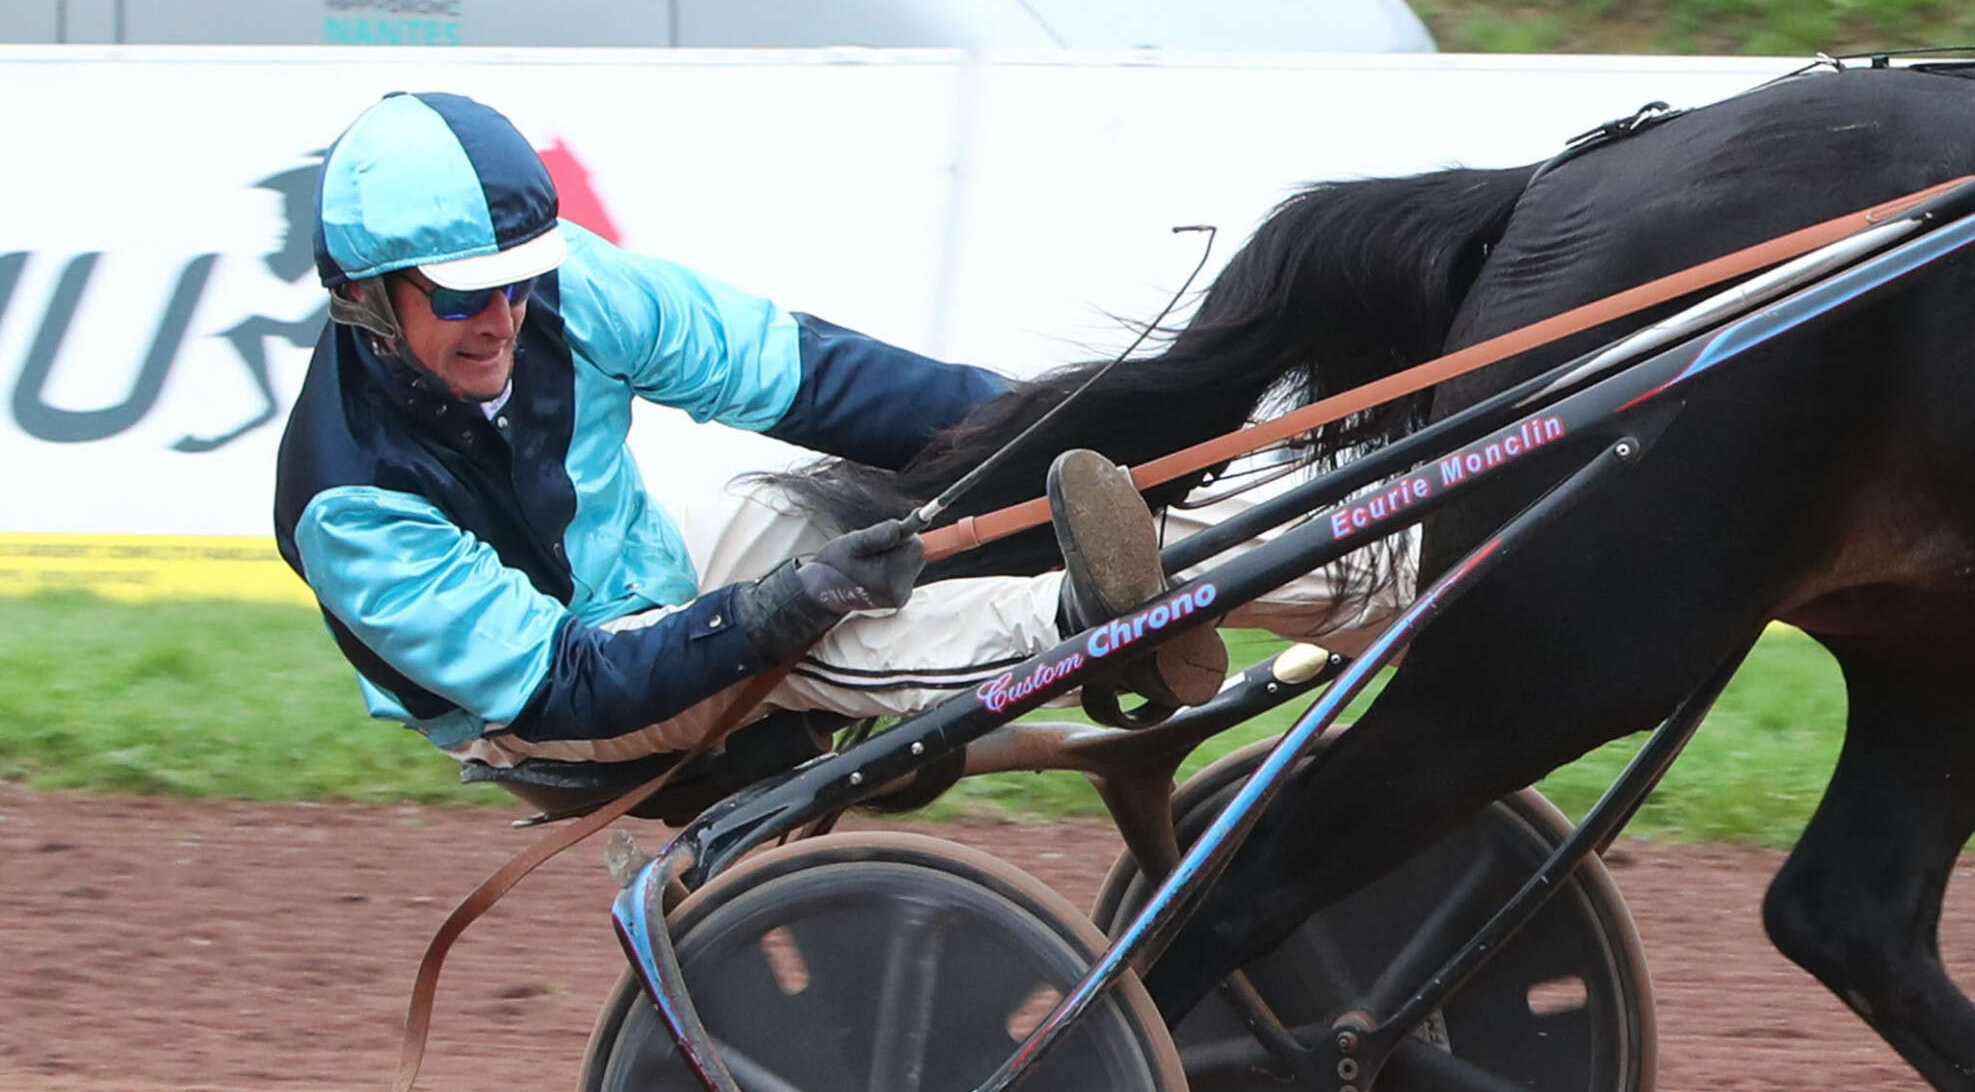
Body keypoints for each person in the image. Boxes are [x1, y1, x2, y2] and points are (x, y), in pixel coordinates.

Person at [272, 90, 1260, 775]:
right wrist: (767, 616)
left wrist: (1052, 437)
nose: (502, 317)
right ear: (362, 295)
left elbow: (799, 373)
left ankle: (1325, 566)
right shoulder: (349, 502)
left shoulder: (567, 283)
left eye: (519, 279)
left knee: (872, 503)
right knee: (816, 641)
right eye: (460, 299)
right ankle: (1087, 622)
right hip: (541, 704)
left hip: (656, 569)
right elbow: (564, 683)